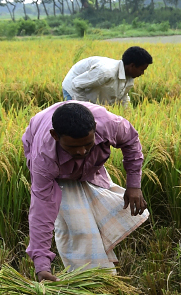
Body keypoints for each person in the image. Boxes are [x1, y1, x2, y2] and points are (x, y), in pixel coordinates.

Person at [22, 102, 149, 282]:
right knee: (78, 225)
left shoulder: (110, 124)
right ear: (55, 136)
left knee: (98, 214)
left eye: (87, 144)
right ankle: (89, 277)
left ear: (95, 130)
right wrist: (41, 264)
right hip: (58, 169)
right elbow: (41, 210)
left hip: (90, 169)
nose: (81, 151)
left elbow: (131, 141)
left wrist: (134, 185)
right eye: (73, 147)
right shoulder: (44, 159)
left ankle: (100, 259)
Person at [62, 46, 153, 108]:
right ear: (132, 66)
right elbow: (76, 84)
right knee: (80, 123)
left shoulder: (129, 77)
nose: (142, 73)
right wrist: (85, 109)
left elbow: (123, 96)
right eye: (142, 70)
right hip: (72, 87)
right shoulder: (106, 72)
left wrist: (129, 114)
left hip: (89, 88)